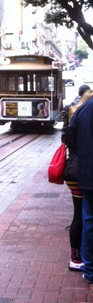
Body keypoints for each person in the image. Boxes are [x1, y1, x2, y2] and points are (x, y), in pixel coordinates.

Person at [63, 90, 93, 271]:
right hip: (83, 172)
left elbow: (68, 139)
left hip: (77, 171)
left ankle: (79, 259)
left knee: (83, 216)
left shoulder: (80, 111)